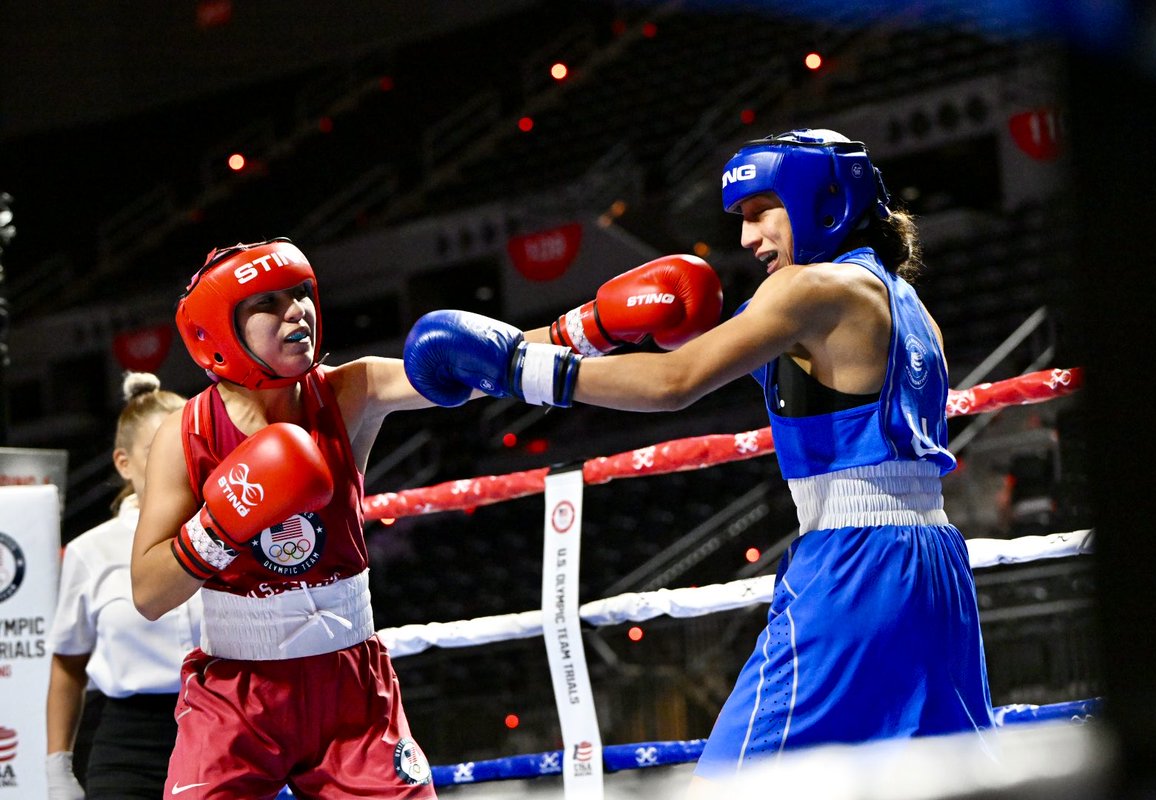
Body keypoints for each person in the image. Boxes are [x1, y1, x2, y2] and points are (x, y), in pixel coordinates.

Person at [401, 129, 996, 786]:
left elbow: (674, 382)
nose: (747, 238)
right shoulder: (906, 304)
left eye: (760, 210)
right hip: (939, 568)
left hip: (855, 567)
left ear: (821, 203)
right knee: (941, 780)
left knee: (733, 782)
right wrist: (544, 341)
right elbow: (713, 358)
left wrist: (519, 370)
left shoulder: (806, 289)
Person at [128, 237, 721, 799]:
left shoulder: (349, 390)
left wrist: (595, 326)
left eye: (302, 293)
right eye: (267, 304)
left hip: (349, 686)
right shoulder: (188, 436)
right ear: (220, 335)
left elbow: (475, 360)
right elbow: (150, 593)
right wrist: (223, 522)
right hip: (238, 691)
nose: (297, 312)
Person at [46, 372, 200, 800]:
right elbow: (68, 663)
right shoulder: (90, 552)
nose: (179, 460)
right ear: (123, 463)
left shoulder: (234, 533)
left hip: (230, 726)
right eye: (159, 451)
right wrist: (56, 765)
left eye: (189, 444)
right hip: (131, 744)